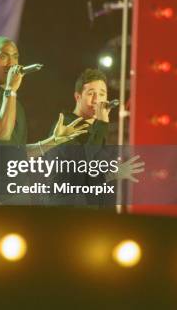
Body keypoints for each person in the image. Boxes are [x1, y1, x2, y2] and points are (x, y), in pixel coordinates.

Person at [0, 37, 89, 204]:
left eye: (15, 56)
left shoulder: (15, 104)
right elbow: (2, 132)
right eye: (3, 56)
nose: (12, 62)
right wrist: (10, 91)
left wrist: (54, 140)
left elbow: (16, 153)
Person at [43, 68, 144, 206]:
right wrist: (101, 123)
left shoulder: (95, 130)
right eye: (91, 94)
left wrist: (115, 173)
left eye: (102, 94)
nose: (97, 100)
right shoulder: (66, 126)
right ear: (78, 97)